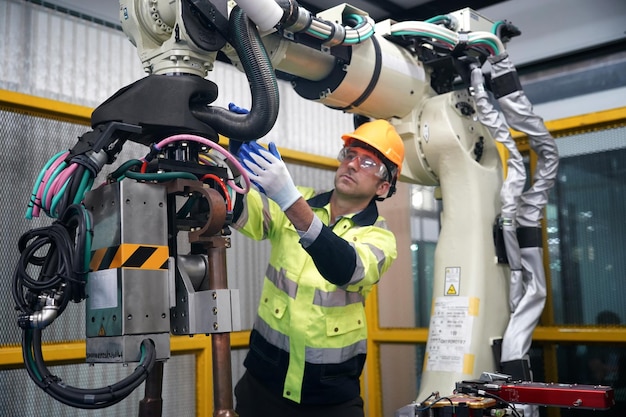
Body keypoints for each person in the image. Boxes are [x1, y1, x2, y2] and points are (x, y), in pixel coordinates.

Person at [231, 119, 405, 417]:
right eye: (349, 154)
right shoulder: (299, 201)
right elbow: (241, 213)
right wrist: (232, 171)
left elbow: (345, 268)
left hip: (330, 398)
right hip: (262, 384)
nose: (351, 165)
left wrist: (289, 199)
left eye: (367, 163)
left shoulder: (380, 237)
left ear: (383, 186)